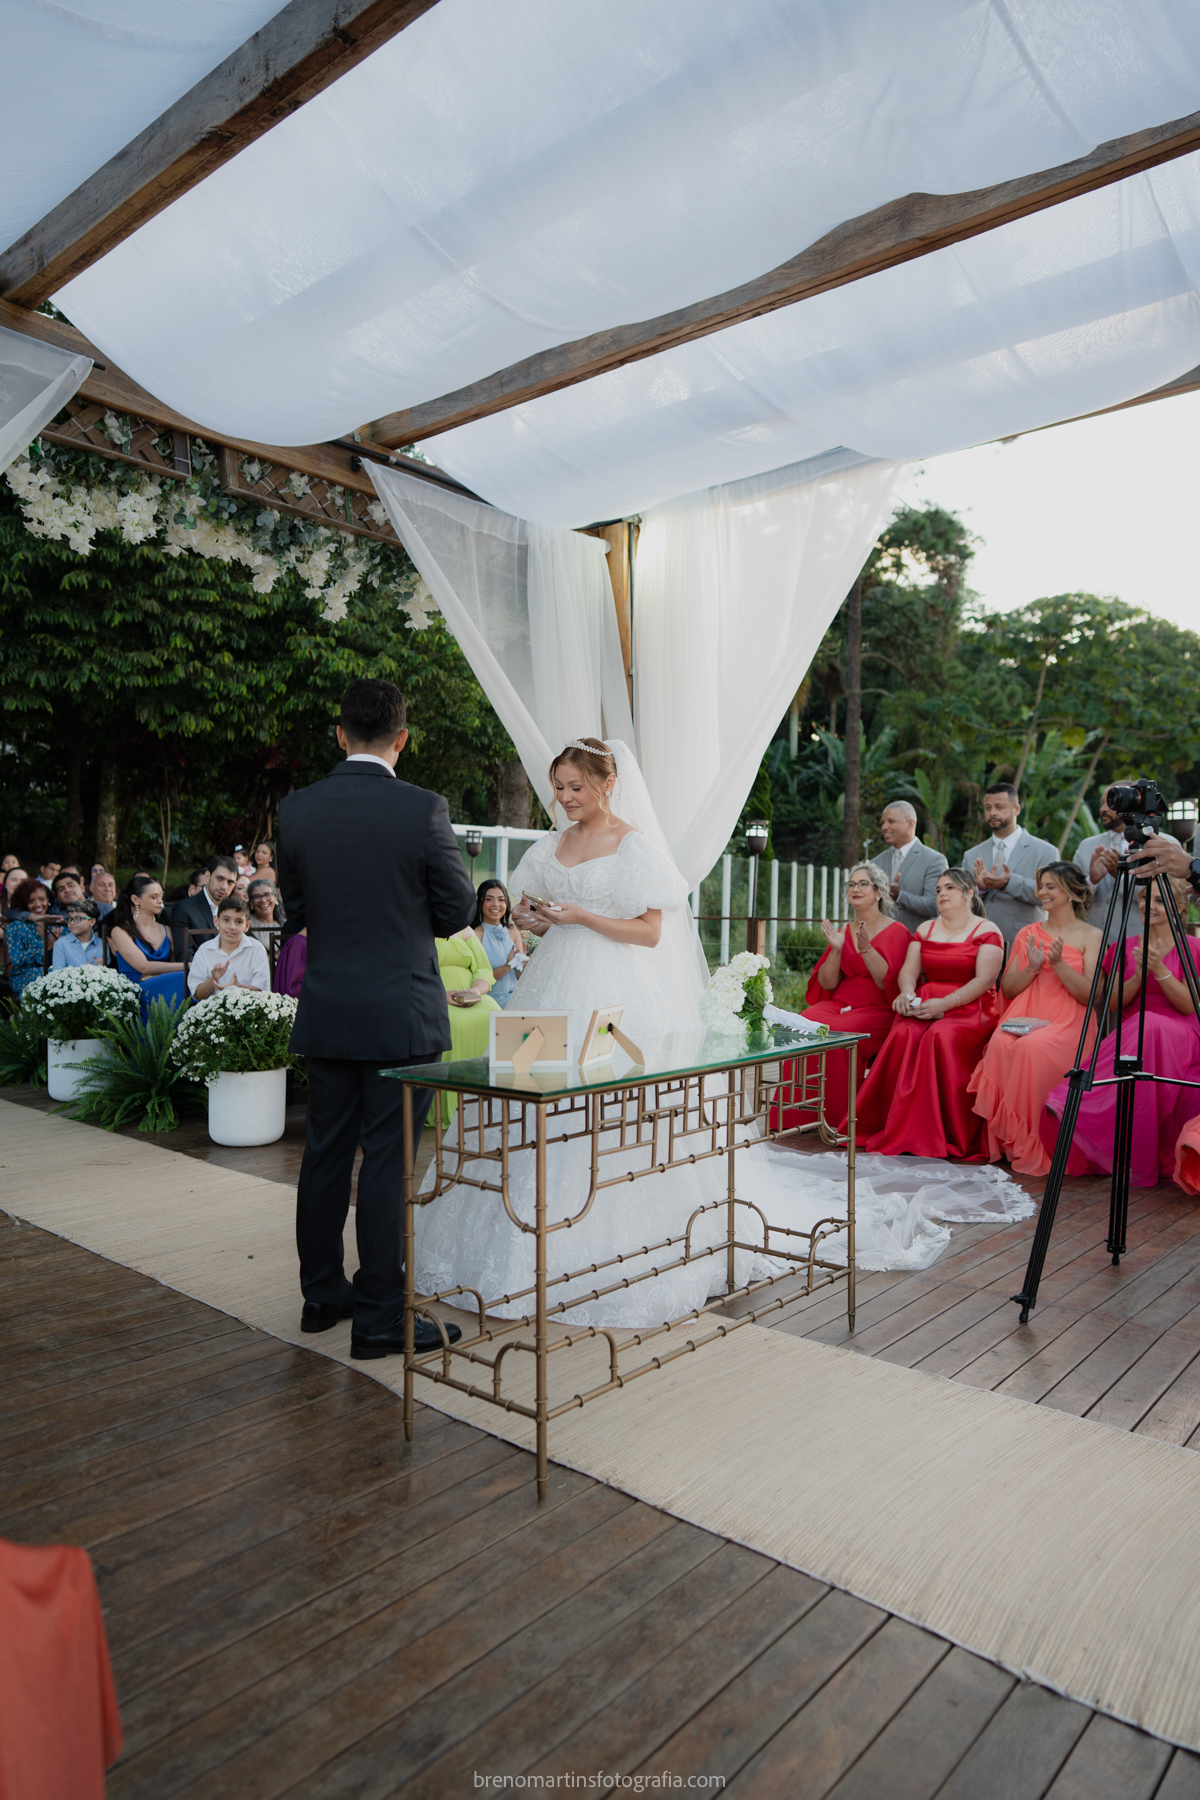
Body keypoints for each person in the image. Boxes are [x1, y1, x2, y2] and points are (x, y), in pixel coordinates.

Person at [276, 677, 475, 1360]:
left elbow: (295, 912)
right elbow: (456, 913)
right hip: (400, 1011)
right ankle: (381, 1317)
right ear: (402, 739)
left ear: (339, 735)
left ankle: (322, 1293)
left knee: (326, 1152)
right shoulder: (423, 809)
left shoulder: (296, 810)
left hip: (329, 1007)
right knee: (389, 1159)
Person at [1042, 878, 1200, 1189]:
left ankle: (1073, 1099)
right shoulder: (1123, 948)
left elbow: (1190, 1006)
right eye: (1144, 900)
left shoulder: (1193, 948)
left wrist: (1160, 971)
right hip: (1135, 1030)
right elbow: (1113, 1002)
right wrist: (1139, 976)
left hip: (1181, 1032)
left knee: (1150, 1024)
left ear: (1179, 906)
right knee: (1144, 1026)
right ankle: (1078, 1108)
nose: (1147, 906)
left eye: (1157, 901)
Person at [855, 868, 1005, 1160]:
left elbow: (984, 981)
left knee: (939, 1037)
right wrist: (907, 993)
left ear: (969, 894)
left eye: (949, 888)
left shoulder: (988, 931)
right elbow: (909, 971)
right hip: (927, 1002)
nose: (941, 894)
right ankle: (893, 1126)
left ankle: (943, 1133)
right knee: (903, 1032)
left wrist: (945, 1004)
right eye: (938, 890)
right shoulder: (925, 929)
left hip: (969, 1008)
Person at [968, 863, 1102, 1175]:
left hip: (1069, 1021)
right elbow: (1009, 988)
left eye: (1050, 886)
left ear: (1071, 892)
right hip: (1027, 1014)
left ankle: (1037, 1144)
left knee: (1032, 1049)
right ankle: (1007, 1143)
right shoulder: (1029, 933)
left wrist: (1058, 964)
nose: (1042, 892)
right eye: (1041, 885)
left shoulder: (1091, 936)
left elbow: (1090, 994)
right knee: (1001, 1042)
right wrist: (1033, 967)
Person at [772, 861, 909, 1132]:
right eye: (851, 884)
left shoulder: (897, 932)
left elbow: (887, 984)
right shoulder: (844, 930)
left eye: (862, 884)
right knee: (802, 1023)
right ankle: (799, 1114)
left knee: (834, 1032)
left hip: (877, 1010)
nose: (855, 889)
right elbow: (828, 981)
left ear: (879, 892)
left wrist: (867, 949)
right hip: (840, 1004)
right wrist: (836, 949)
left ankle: (834, 1119)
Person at [960, 783, 1058, 953]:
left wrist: (1008, 883)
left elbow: (1051, 896)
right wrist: (979, 889)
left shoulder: (1045, 851)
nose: (992, 813)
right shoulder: (972, 854)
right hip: (979, 942)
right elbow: (961, 900)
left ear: (1016, 809)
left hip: (1026, 943)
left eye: (999, 807)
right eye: (988, 808)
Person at [434, 927, 502, 1126]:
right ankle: (455, 1108)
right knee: (455, 1024)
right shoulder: (416, 925)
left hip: (472, 994)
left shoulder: (465, 930)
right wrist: (439, 996)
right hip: (437, 997)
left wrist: (477, 990)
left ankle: (495, 1101)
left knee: (497, 1017)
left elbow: (483, 969)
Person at [1073, 786, 1144, 949]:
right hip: (1094, 944)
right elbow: (1072, 897)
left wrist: (1122, 877)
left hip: (1138, 944)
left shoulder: (1157, 844)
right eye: (1101, 803)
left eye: (1110, 803)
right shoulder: (1086, 846)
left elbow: (1167, 898)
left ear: (1132, 803)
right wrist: (1093, 881)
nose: (1102, 809)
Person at [105, 876, 186, 1014]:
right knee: (184, 977)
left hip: (166, 985)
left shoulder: (166, 930)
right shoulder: (120, 931)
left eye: (160, 896)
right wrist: (188, 966)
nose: (160, 901)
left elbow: (173, 963)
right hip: (137, 991)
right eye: (154, 897)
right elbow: (144, 967)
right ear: (136, 900)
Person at [879, 801, 947, 934]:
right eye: (883, 822)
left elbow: (936, 905)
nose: (884, 827)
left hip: (917, 943)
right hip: (880, 945)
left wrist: (900, 896)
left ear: (910, 824)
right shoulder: (876, 862)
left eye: (891, 821)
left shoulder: (934, 860)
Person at [187, 896, 271, 1000]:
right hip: (213, 1013)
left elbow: (263, 992)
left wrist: (237, 986)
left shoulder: (257, 949)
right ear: (216, 921)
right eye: (226, 920)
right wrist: (213, 979)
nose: (232, 927)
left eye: (239, 922)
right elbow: (197, 995)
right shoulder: (204, 950)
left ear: (247, 926)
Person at [170, 854, 238, 958]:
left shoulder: (236, 909)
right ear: (207, 877)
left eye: (230, 882)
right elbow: (184, 958)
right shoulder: (184, 908)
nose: (224, 887)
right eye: (220, 878)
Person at [471, 879, 525, 1005]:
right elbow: (480, 979)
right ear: (480, 903)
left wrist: (526, 966)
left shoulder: (513, 931)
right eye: (489, 899)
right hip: (492, 1000)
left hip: (516, 995)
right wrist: (508, 966)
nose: (496, 904)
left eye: (501, 900)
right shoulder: (475, 936)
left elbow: (520, 974)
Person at [5, 878, 54, 994]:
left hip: (52, 971)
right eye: (31, 901)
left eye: (42, 899)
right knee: (52, 974)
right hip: (23, 976)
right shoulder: (17, 927)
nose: (37, 904)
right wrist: (45, 947)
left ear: (48, 900)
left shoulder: (55, 925)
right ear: (24, 903)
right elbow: (18, 960)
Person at [51, 899, 104, 969]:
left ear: (92, 922)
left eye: (78, 918)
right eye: (69, 919)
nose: (72, 923)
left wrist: (102, 968)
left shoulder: (102, 945)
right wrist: (81, 972)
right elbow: (57, 974)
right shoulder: (60, 944)